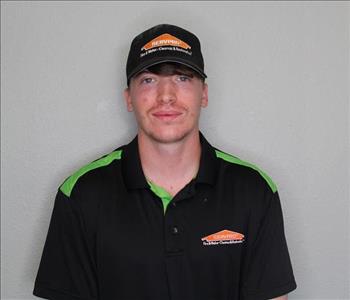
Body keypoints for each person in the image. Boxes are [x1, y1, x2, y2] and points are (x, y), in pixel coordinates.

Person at [33, 24, 297, 300]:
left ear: (204, 94)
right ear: (129, 99)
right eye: (148, 80)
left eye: (182, 78)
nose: (166, 96)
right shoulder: (81, 193)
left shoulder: (254, 190)